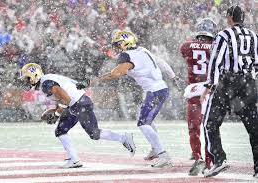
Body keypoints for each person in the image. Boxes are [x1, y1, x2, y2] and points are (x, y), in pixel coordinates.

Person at [19, 63, 136, 168]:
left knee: (93, 133)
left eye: (27, 78)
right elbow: (63, 98)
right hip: (77, 104)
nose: (26, 82)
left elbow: (66, 99)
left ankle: (123, 137)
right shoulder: (46, 80)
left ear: (35, 75)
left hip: (79, 104)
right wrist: (55, 110)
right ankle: (74, 159)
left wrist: (56, 113)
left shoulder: (46, 83)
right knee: (62, 131)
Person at [89, 30, 179, 168]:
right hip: (159, 89)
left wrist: (98, 79)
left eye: (118, 45)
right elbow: (160, 62)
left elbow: (116, 74)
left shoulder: (127, 55)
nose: (116, 48)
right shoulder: (143, 50)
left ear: (125, 43)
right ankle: (155, 149)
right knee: (144, 119)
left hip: (155, 91)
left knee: (143, 123)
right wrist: (172, 76)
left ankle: (163, 154)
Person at [200, 5, 258, 178]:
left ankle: (219, 159)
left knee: (210, 123)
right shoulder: (253, 36)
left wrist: (210, 85)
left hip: (228, 82)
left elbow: (216, 61)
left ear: (230, 17)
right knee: (254, 127)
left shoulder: (224, 35)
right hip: (249, 83)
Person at [180, 18, 216, 176]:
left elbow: (186, 54)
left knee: (194, 129)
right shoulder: (216, 45)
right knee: (210, 128)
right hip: (210, 90)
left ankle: (198, 157)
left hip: (194, 90)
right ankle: (210, 161)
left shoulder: (187, 44)